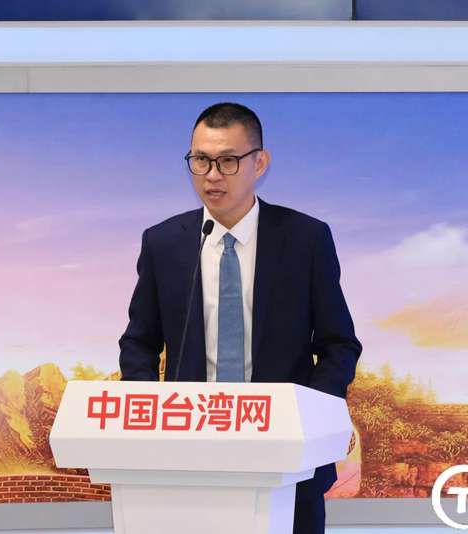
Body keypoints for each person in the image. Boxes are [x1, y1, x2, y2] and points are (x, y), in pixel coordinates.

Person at [119, 102, 362, 534]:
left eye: (228, 161)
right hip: (189, 455)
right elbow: (139, 342)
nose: (212, 175)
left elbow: (339, 344)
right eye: (200, 160)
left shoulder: (305, 239)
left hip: (287, 459)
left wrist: (306, 415)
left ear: (259, 163)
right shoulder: (163, 243)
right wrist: (152, 415)